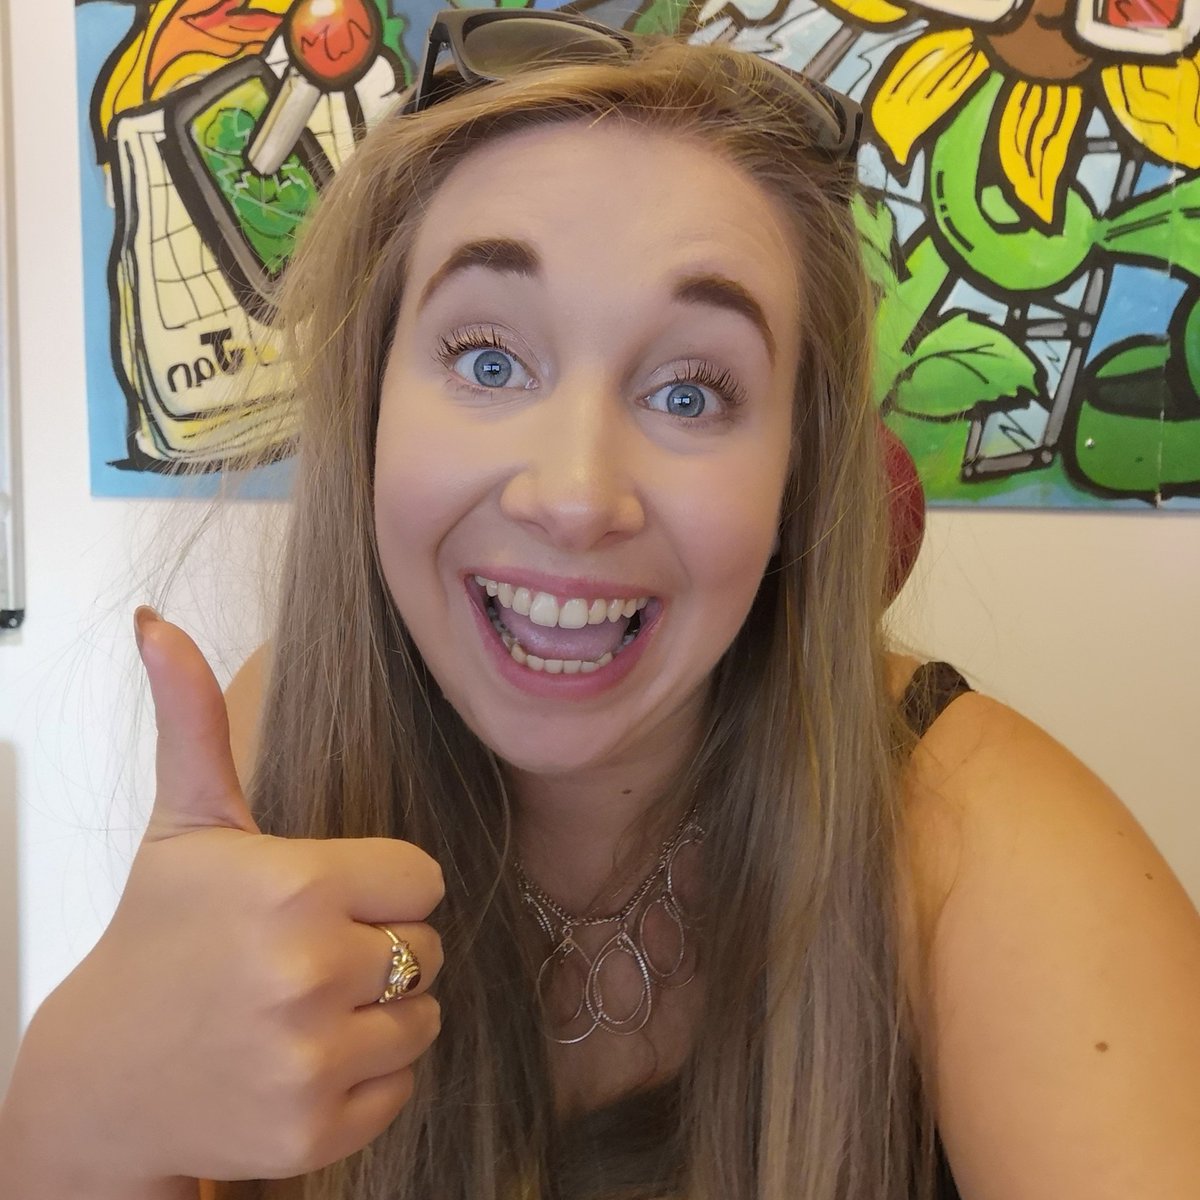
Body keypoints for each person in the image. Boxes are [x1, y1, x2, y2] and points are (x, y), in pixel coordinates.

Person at [3, 9, 1199, 1200]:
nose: (575, 498)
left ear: (799, 469)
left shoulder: (989, 846)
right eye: (487, 361)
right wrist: (88, 1092)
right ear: (368, 409)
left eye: (691, 392)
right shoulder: (283, 740)